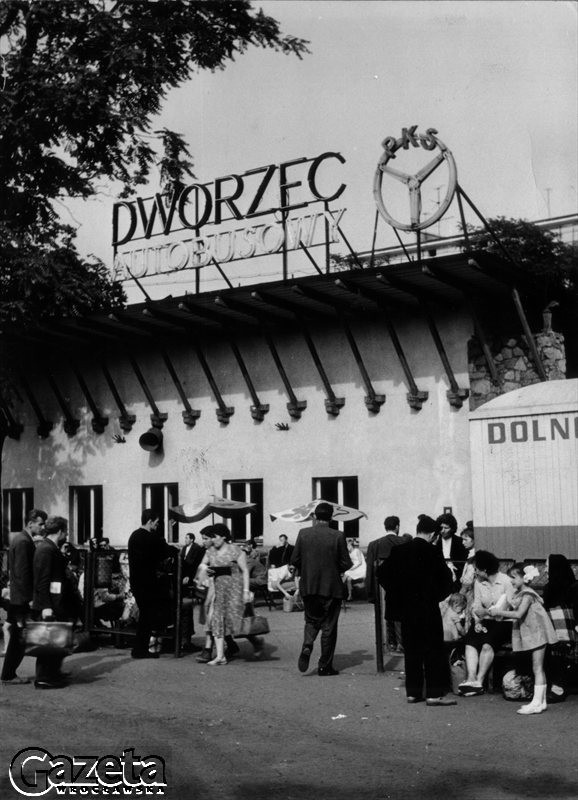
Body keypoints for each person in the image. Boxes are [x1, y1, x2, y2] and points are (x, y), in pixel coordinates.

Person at [381, 514, 456, 706]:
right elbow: (447, 580)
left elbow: (381, 574)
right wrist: (435, 596)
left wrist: (398, 593)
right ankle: (433, 693)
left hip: (406, 610)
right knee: (432, 650)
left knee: (412, 650)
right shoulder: (433, 553)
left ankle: (413, 693)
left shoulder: (399, 550)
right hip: (428, 609)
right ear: (432, 534)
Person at [290, 502, 352, 677]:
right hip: (331, 587)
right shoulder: (338, 536)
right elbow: (346, 563)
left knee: (311, 620)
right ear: (331, 517)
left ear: (315, 516)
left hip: (309, 587)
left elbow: (295, 559)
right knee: (329, 627)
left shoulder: (303, 534)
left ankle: (308, 644)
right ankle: (325, 666)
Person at [488, 563, 558, 714]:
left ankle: (537, 702)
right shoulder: (521, 593)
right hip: (534, 633)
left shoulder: (528, 595)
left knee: (537, 668)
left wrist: (498, 612)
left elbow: (519, 614)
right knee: (537, 668)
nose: (511, 581)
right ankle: (541, 702)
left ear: (524, 578)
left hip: (538, 634)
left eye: (513, 578)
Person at [199, 524, 262, 664]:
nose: (213, 540)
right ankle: (220, 656)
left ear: (224, 537)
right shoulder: (210, 551)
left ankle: (256, 642)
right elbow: (202, 566)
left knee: (236, 623)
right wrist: (206, 570)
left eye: (215, 537)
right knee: (217, 620)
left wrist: (246, 591)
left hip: (235, 589)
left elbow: (245, 570)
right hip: (219, 589)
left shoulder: (236, 550)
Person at [458, 550, 514, 697]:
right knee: (470, 639)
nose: (475, 572)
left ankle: (479, 681)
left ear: (485, 569)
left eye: (476, 569)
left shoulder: (506, 581)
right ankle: (471, 678)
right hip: (485, 620)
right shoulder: (478, 582)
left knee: (487, 644)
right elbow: (476, 605)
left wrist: (487, 613)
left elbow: (509, 607)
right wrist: (477, 620)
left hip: (504, 621)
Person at [1, 509, 47, 685]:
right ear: (30, 523)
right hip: (22, 599)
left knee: (19, 637)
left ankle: (8, 674)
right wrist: (30, 598)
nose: (43, 527)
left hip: (19, 597)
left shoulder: (22, 539)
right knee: (19, 638)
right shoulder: (23, 542)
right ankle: (8, 675)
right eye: (40, 523)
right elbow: (22, 573)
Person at [31, 516, 74, 689]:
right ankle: (43, 677)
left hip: (56, 602)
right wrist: (47, 606)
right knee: (47, 641)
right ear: (61, 531)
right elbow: (43, 581)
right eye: (66, 530)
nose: (68, 534)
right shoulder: (45, 549)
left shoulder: (51, 548)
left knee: (55, 641)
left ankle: (53, 673)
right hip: (49, 604)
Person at [127, 509, 176, 659]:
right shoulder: (150, 538)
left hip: (136, 581)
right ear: (150, 521)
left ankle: (139, 649)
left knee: (145, 615)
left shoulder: (134, 536)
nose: (157, 525)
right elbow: (167, 551)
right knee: (148, 616)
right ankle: (140, 650)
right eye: (156, 522)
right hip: (148, 582)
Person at [366, 515, 411, 652]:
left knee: (386, 613)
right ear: (397, 527)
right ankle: (402, 642)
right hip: (403, 585)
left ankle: (389, 642)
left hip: (382, 586)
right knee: (402, 614)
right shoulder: (405, 541)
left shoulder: (375, 544)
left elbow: (369, 570)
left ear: (385, 527)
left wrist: (370, 593)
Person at [541, 554, 578, 703]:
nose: (545, 570)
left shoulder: (574, 587)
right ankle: (556, 684)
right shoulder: (548, 587)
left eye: (547, 566)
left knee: (558, 648)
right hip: (553, 628)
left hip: (570, 629)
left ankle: (558, 686)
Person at [434, 513, 467, 591]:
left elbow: (463, 561)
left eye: (446, 528)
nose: (442, 531)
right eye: (441, 527)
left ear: (452, 528)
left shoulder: (460, 541)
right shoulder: (435, 541)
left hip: (456, 579)